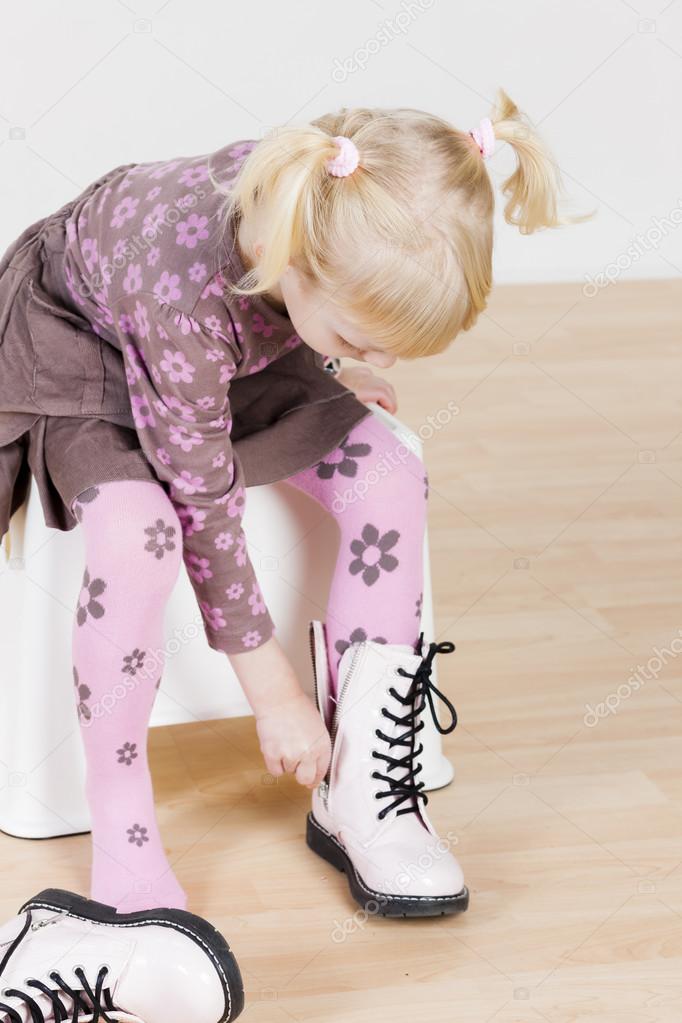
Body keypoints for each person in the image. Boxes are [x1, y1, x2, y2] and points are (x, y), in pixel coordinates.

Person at [0, 88, 591, 915]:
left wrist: (335, 364)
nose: (375, 358)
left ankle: (362, 787)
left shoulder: (327, 210)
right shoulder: (187, 289)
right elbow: (204, 501)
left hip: (222, 352)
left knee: (391, 472)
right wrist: (273, 694)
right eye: (356, 338)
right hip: (91, 352)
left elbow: (273, 338)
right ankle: (121, 822)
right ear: (297, 270)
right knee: (139, 537)